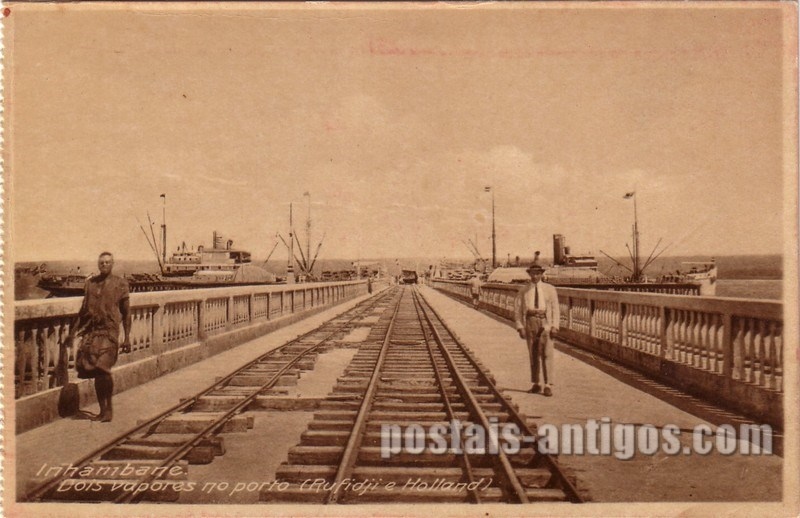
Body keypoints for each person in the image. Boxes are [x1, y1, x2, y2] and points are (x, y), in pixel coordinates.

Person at [67, 252, 131, 422]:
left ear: (113, 264)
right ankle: (102, 411)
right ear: (98, 264)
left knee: (103, 368)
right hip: (92, 334)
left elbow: (126, 313)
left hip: (109, 334)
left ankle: (108, 409)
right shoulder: (90, 284)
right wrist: (72, 333)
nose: (104, 265)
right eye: (101, 262)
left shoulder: (120, 284)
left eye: (107, 262)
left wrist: (127, 338)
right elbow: (83, 312)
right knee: (96, 372)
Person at [514, 263, 560, 397]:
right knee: (533, 354)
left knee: (547, 353)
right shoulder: (523, 291)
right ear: (529, 274)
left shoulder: (550, 289)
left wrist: (555, 326)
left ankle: (548, 385)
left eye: (537, 273)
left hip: (545, 321)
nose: (535, 276)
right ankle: (536, 383)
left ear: (541, 274)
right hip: (530, 322)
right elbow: (517, 310)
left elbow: (556, 309)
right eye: (533, 273)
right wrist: (520, 327)